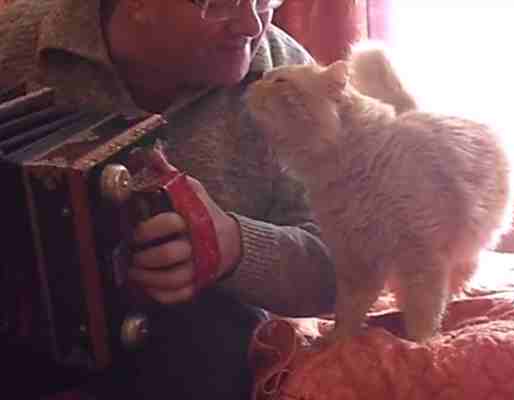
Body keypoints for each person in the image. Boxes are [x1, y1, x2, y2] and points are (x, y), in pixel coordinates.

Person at [0, 0, 336, 398]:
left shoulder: (298, 85)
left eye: (265, 0)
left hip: (199, 358)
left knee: (218, 334)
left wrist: (235, 246)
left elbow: (341, 270)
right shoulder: (13, 44)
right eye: (221, 3)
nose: (251, 24)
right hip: (22, 334)